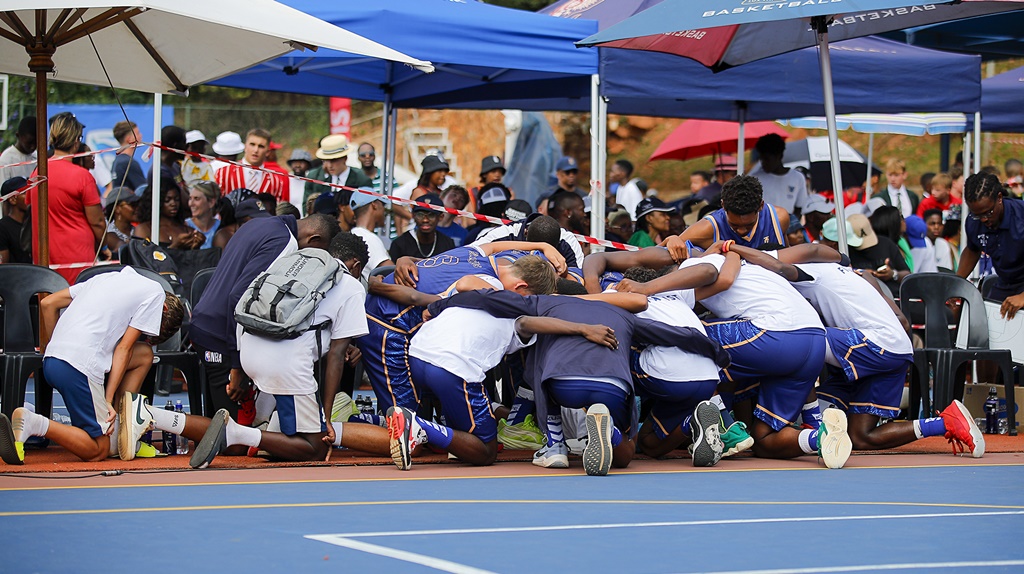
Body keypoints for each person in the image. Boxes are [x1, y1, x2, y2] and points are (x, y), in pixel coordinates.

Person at [424, 287, 728, 476]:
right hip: (613, 386)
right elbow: (678, 335)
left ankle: (554, 447)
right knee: (627, 456)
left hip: (561, 384)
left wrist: (437, 306)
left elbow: (486, 298)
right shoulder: (622, 315)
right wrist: (718, 354)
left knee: (541, 369)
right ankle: (612, 435)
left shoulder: (544, 303)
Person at [729, 242, 985, 458]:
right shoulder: (849, 273)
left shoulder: (806, 271)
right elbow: (904, 322)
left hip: (875, 343)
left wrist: (732, 248)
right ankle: (943, 423)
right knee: (862, 436)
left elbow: (780, 267)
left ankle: (814, 422)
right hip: (896, 348)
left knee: (798, 343)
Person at [187, 233, 371, 468]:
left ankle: (161, 418)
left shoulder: (294, 262)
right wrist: (325, 418)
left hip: (247, 346)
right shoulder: (352, 285)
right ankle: (236, 433)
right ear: (356, 265)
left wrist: (239, 369)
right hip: (285, 363)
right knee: (315, 448)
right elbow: (336, 356)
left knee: (282, 441)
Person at [0, 267, 184, 465]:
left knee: (145, 354)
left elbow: (48, 303)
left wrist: (57, 347)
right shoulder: (155, 294)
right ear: (163, 309)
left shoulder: (107, 279)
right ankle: (34, 422)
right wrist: (108, 399)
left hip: (53, 360)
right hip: (80, 365)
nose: (145, 337)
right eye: (150, 334)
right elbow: (123, 349)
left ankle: (123, 429)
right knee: (98, 450)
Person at [359, 243, 565, 415]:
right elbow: (418, 298)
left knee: (417, 420)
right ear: (520, 288)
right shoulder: (490, 285)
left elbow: (496, 246)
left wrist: (542, 246)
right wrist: (375, 286)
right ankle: (352, 427)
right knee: (406, 423)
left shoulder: (475, 253)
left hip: (387, 313)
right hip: (386, 324)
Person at [189, 212, 340, 421]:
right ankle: (164, 420)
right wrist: (237, 366)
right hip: (220, 333)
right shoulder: (285, 242)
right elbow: (238, 297)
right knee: (232, 437)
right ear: (314, 240)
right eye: (318, 253)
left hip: (206, 321)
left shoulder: (259, 222)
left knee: (226, 425)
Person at [26, 112, 104, 283]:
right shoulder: (82, 176)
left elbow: (29, 206)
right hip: (78, 257)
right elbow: (98, 222)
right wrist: (104, 245)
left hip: (45, 256)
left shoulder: (37, 173)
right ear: (77, 140)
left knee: (48, 306)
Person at [664, 175, 790, 259]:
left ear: (761, 206)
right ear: (723, 205)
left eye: (748, 225)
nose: (742, 231)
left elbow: (788, 257)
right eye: (735, 225)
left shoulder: (778, 218)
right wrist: (671, 240)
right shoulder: (708, 228)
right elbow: (656, 254)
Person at [957, 172, 1024, 318]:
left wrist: (1022, 297)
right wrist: (956, 285)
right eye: (977, 214)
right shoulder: (973, 222)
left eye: (988, 213)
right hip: (1006, 282)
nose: (983, 220)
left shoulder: (1021, 216)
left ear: (999, 198)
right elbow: (972, 250)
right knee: (988, 319)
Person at [821, 215, 909, 298]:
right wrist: (859, 275)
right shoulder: (844, 251)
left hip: (893, 297)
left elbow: (907, 276)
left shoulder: (886, 244)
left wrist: (893, 274)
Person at [472, 212, 585, 269]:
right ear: (525, 233)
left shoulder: (567, 241)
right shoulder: (506, 233)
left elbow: (580, 279)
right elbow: (469, 253)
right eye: (534, 250)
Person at [215, 128, 288, 201]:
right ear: (245, 146)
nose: (256, 150)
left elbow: (280, 210)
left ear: (268, 151)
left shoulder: (276, 181)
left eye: (261, 146)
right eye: (252, 144)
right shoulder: (224, 173)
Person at [747, 133, 808, 217]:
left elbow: (799, 208)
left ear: (779, 156)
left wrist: (790, 226)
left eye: (767, 159)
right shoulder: (754, 179)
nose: (763, 163)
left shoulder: (797, 178)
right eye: (761, 159)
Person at [134, 183, 204, 250]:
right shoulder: (144, 229)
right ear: (156, 201)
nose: (173, 204)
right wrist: (175, 247)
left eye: (177, 199)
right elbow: (142, 258)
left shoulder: (187, 230)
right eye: (167, 200)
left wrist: (196, 245)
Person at [389, 193, 455, 261]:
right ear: (413, 216)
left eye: (431, 215)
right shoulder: (400, 244)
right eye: (420, 215)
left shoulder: (448, 244)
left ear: (440, 217)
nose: (425, 220)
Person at [348, 187, 394, 281]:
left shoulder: (352, 234)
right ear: (374, 205)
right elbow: (392, 272)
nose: (384, 211)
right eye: (382, 205)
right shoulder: (368, 238)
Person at [0, 176, 32, 263]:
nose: (30, 196)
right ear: (13, 199)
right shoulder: (3, 228)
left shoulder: (34, 222)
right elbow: (3, 267)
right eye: (25, 193)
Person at [103, 186, 140, 256]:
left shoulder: (139, 231)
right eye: (133, 204)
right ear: (117, 209)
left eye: (138, 204)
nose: (137, 208)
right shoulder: (106, 232)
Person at [109, 120, 146, 191]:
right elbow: (142, 190)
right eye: (137, 133)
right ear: (129, 139)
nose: (141, 136)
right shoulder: (128, 163)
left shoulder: (117, 161)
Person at [185, 181, 222, 249]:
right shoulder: (184, 226)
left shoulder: (221, 227)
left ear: (211, 202)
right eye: (190, 198)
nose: (191, 203)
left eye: (196, 199)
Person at [0, 116, 37, 183]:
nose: (33, 147)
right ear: (18, 136)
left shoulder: (38, 157)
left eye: (36, 143)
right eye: (29, 143)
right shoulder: (6, 161)